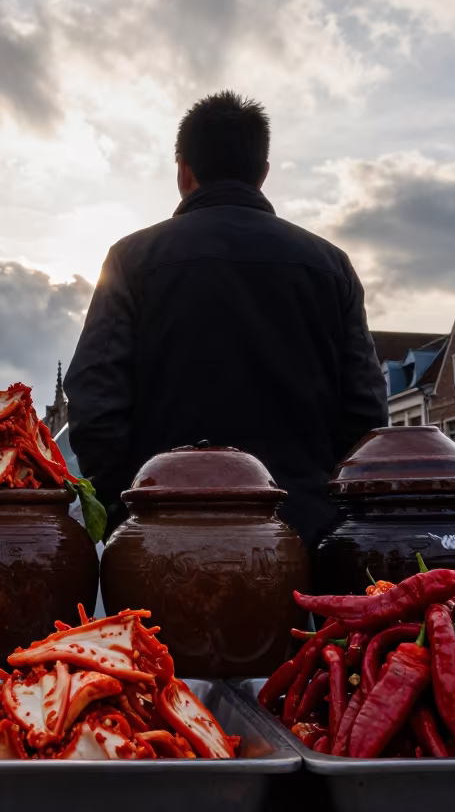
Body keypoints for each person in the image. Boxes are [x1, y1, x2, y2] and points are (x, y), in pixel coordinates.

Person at [64, 91, 387, 548]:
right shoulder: (330, 266)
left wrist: (130, 505)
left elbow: (94, 399)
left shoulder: (131, 260)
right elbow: (366, 412)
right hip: (297, 533)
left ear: (183, 170)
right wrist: (320, 511)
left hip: (161, 536)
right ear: (263, 173)